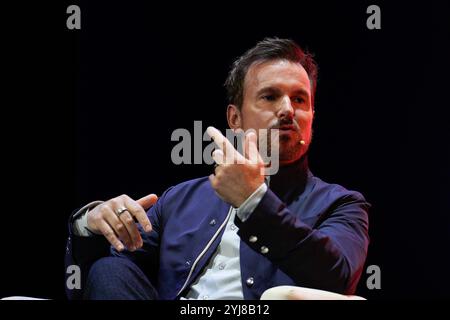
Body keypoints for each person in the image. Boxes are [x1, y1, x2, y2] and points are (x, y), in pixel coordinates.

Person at [65, 38, 370, 300]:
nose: (288, 109)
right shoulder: (179, 199)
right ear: (235, 119)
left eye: (300, 99)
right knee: (110, 268)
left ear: (312, 116)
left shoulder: (341, 204)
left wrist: (254, 202)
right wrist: (88, 225)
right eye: (270, 96)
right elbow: (98, 283)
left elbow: (337, 277)